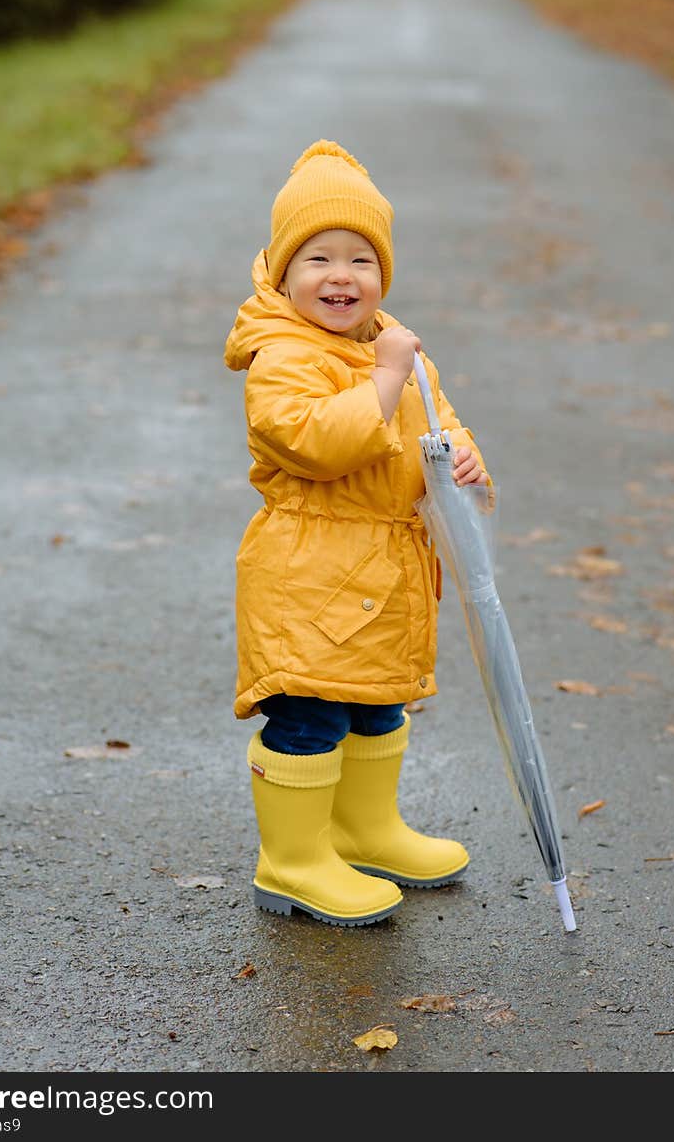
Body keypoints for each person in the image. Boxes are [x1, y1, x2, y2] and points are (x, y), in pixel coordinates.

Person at [224, 139, 494, 927]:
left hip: (384, 567)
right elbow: (317, 441)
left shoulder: (392, 343)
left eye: (361, 260)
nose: (341, 276)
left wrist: (465, 454)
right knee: (310, 714)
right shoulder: (282, 355)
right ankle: (294, 861)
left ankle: (364, 829)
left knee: (376, 706)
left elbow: (431, 424)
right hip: (309, 570)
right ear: (282, 272)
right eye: (318, 258)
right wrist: (381, 377)